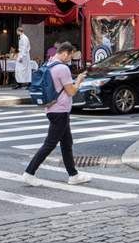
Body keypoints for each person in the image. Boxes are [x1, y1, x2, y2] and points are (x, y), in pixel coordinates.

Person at [22, 42, 91, 186]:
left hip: (53, 108)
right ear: (65, 53)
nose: (70, 59)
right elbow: (71, 91)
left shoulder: (49, 63)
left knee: (67, 143)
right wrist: (78, 81)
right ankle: (29, 172)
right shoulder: (62, 68)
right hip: (60, 110)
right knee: (50, 144)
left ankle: (73, 175)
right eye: (70, 56)